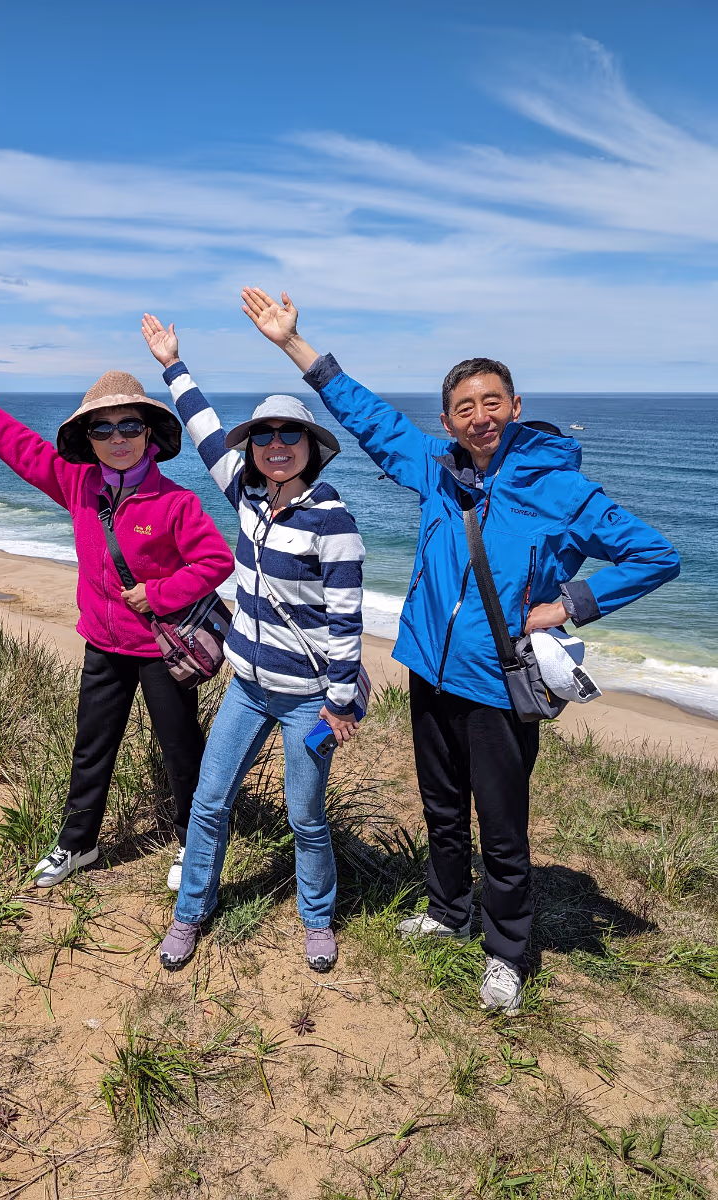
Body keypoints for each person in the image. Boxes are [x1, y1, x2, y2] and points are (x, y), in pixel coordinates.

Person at [240, 287, 681, 1014]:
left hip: (497, 683)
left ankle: (507, 953)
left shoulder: (560, 488)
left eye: (492, 402)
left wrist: (567, 605)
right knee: (441, 809)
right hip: (430, 670)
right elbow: (369, 417)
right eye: (464, 407)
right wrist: (294, 345)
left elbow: (655, 555)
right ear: (447, 421)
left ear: (515, 406)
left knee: (502, 830)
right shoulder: (436, 468)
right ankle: (449, 912)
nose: (480, 416)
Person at [0, 350, 235, 890]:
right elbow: (23, 449)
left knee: (182, 749)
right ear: (88, 439)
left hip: (160, 650)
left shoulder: (176, 502)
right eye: (103, 428)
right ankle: (78, 843)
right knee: (91, 747)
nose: (118, 438)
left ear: (149, 433)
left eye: (129, 425)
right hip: (103, 646)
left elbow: (215, 561)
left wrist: (158, 594)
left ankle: (194, 841)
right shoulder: (76, 484)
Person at [139, 314, 365, 973]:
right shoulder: (247, 495)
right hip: (246, 688)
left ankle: (317, 919)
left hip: (307, 700)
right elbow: (207, 432)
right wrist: (173, 366)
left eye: (289, 434)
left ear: (311, 446)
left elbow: (346, 620)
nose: (275, 445)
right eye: (263, 435)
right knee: (210, 802)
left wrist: (339, 702)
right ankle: (190, 913)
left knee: (305, 817)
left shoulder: (334, 521)